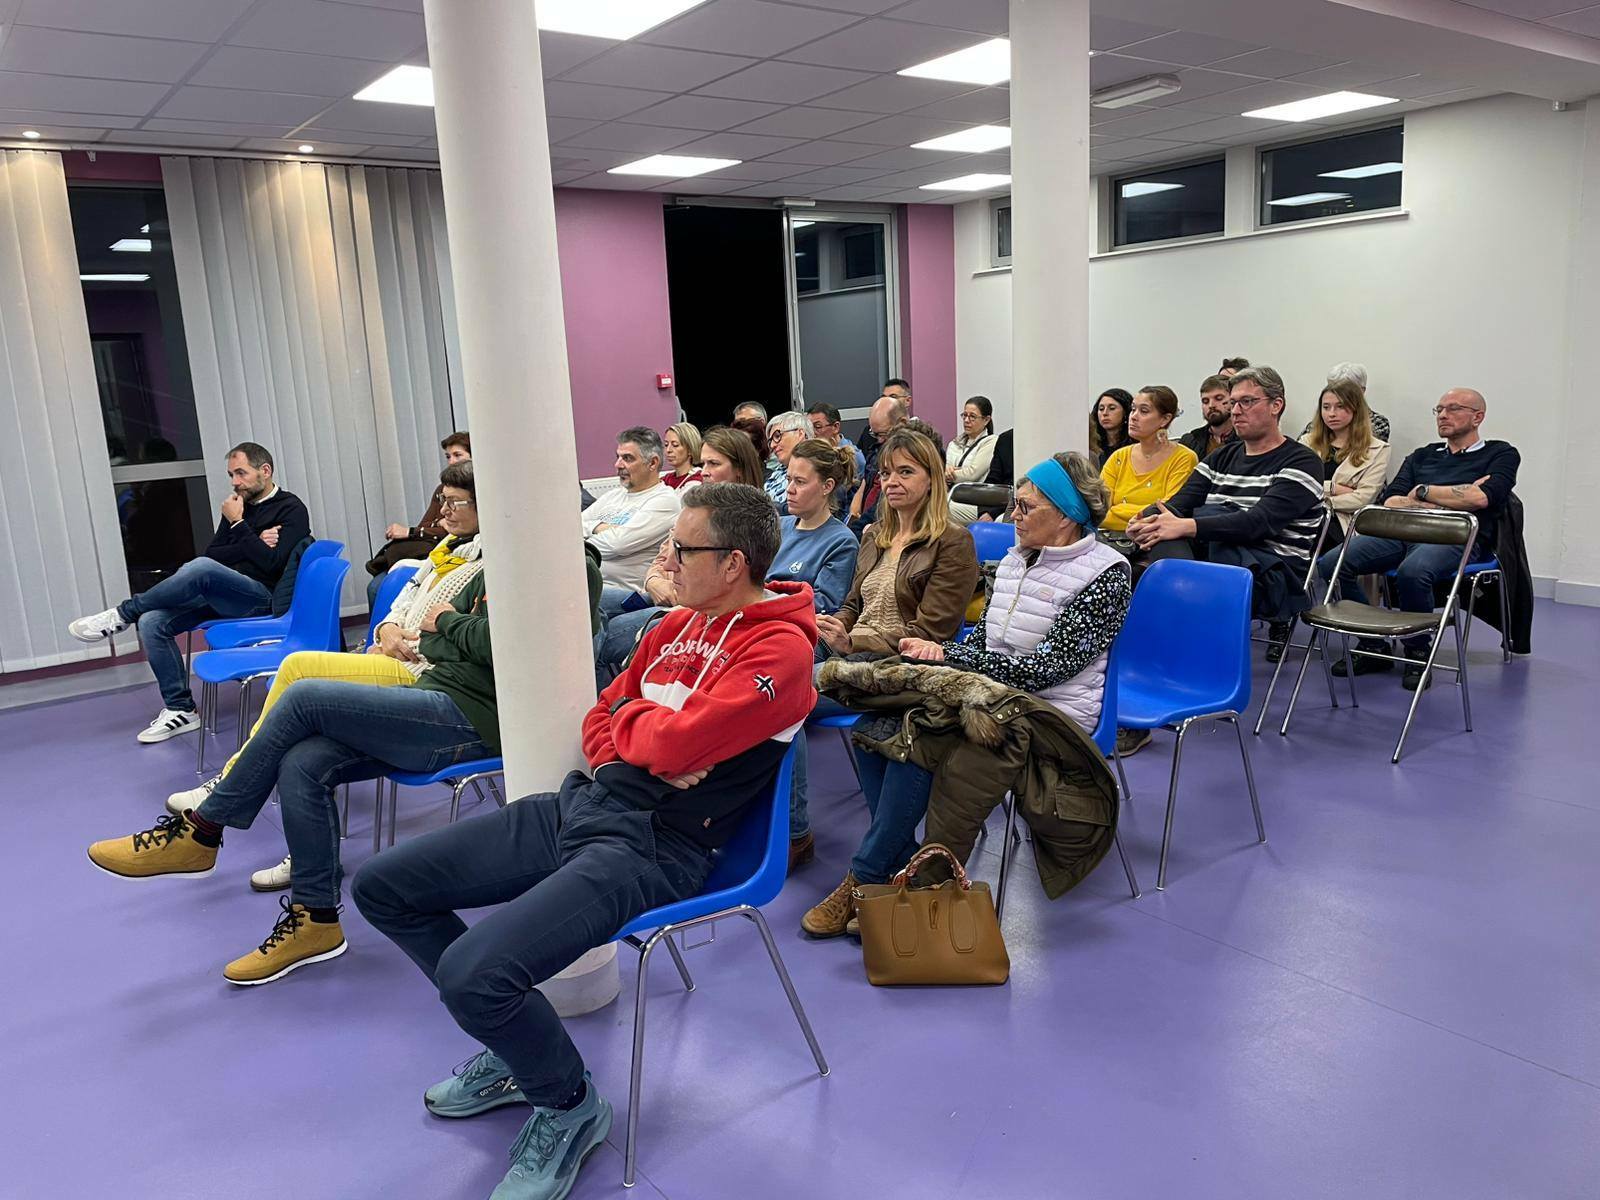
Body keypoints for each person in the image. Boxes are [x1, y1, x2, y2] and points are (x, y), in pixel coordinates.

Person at [350, 484, 816, 1200]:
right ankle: (519, 1049)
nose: (667, 560)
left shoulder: (780, 650)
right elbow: (604, 715)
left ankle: (568, 1105)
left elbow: (673, 738)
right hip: (588, 804)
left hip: (659, 845)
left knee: (474, 976)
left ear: (733, 564)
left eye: (682, 549)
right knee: (383, 887)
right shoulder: (672, 627)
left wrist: (644, 734)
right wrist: (635, 741)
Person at [85, 521, 498, 986]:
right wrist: (441, 629)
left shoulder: (542, 568)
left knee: (304, 695)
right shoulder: (485, 565)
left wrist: (446, 624)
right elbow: (432, 637)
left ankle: (202, 830)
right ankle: (316, 921)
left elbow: (485, 642)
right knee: (304, 761)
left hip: (472, 718)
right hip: (438, 693)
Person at [801, 451, 1131, 936]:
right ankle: (900, 865)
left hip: (1051, 712)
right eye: (1015, 504)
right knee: (874, 729)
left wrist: (953, 660)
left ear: (1065, 515)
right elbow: (982, 642)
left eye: (1025, 507)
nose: (1012, 516)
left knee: (921, 742)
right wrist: (946, 655)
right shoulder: (1016, 560)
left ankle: (865, 878)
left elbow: (1049, 669)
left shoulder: (1107, 573)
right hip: (988, 691)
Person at [165, 462, 486, 893]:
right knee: (302, 752)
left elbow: (444, 633)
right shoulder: (445, 548)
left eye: (454, 502)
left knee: (299, 676)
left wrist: (425, 631)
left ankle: (224, 791)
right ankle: (307, 873)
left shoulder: (487, 562)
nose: (442, 510)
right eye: (442, 500)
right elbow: (403, 608)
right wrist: (385, 630)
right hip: (400, 657)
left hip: (420, 672)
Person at [69, 442, 312, 744]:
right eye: (231, 475)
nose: (235, 482)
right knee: (152, 622)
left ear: (265, 470)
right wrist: (252, 538)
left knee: (200, 569)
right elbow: (215, 553)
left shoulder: (291, 509)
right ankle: (181, 709)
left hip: (261, 598)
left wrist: (239, 526)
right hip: (226, 593)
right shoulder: (238, 505)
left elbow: (272, 564)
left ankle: (123, 614)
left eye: (241, 473)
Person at [1321, 388, 1519, 690]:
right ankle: (1373, 643)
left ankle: (1417, 650)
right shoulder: (1422, 455)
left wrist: (1423, 491)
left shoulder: (1501, 453)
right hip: (1402, 533)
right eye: (1439, 409)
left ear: (1477, 417)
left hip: (1457, 537)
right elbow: (1390, 499)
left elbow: (1482, 498)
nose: (1443, 415)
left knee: (1413, 571)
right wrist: (1453, 498)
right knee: (1332, 564)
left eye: (1453, 408)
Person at [1125, 366, 1326, 661]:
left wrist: (1189, 524)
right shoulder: (1222, 456)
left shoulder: (1303, 462)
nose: (1236, 411)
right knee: (1149, 542)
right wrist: (1144, 520)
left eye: (1247, 402)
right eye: (1233, 403)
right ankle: (1184, 625)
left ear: (1276, 405)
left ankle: (1175, 637)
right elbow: (1177, 506)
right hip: (1212, 561)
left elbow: (1258, 523)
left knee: (1173, 550)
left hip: (1269, 573)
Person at [592, 425, 765, 689]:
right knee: (589, 596)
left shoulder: (749, 522)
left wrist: (675, 589)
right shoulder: (695, 510)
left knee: (599, 634)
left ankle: (602, 703)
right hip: (658, 592)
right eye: (703, 463)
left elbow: (618, 544)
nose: (703, 471)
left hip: (690, 605)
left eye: (713, 464)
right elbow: (663, 558)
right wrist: (654, 581)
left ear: (739, 470)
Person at [772, 439, 860, 869]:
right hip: (765, 633)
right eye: (788, 479)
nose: (789, 489)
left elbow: (819, 612)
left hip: (810, 639)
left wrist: (763, 602)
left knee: (776, 696)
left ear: (827, 487)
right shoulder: (780, 528)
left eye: (800, 482)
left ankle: (795, 833)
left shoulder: (840, 541)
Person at [819, 427, 979, 661]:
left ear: (932, 479)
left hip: (901, 658)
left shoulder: (953, 541)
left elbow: (929, 633)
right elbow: (853, 608)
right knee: (787, 652)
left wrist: (852, 643)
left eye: (905, 472)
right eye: (885, 473)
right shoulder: (875, 535)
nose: (891, 482)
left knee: (805, 676)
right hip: (855, 648)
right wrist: (830, 627)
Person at [364, 431, 471, 611]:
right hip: (435, 551)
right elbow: (427, 525)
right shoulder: (442, 488)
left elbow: (457, 528)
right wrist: (437, 525)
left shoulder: (477, 489)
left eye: (457, 455)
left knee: (379, 587)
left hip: (453, 555)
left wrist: (414, 531)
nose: (451, 461)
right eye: (448, 456)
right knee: (376, 585)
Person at [583, 426, 681, 620]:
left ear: (652, 463)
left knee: (574, 601)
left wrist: (589, 536)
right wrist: (598, 527)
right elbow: (573, 527)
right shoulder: (614, 495)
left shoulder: (665, 501)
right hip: (592, 583)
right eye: (618, 457)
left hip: (627, 594)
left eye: (627, 458)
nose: (618, 464)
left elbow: (616, 544)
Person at [1100, 385, 1198, 536]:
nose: (1133, 416)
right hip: (1111, 539)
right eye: (1133, 409)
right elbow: (1099, 511)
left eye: (1144, 411)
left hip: (1159, 539)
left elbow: (1167, 513)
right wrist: (1144, 514)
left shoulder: (1183, 458)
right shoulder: (1119, 456)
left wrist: (1118, 510)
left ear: (1165, 419)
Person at [1300, 378, 1391, 539]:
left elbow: (1363, 499)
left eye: (1340, 406)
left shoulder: (1378, 449)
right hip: (1302, 515)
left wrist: (1321, 498)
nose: (1331, 413)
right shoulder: (1307, 442)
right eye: (1326, 407)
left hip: (1342, 523)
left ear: (1356, 409)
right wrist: (1334, 488)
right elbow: (1296, 485)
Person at [846, 394, 908, 537]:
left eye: (883, 434)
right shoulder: (877, 450)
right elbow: (866, 483)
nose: (879, 440)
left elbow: (881, 509)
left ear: (903, 423)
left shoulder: (917, 456)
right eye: (875, 434)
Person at [1300, 363, 1391, 441]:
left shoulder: (1378, 423)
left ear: (1361, 391)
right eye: (1332, 388)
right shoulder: (1318, 424)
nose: (1336, 393)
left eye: (1345, 390)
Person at [1178, 375, 1238, 461]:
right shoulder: (1190, 441)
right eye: (1205, 401)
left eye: (1219, 398)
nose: (1211, 405)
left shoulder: (1247, 439)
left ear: (1233, 401)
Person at [807, 400, 866, 479]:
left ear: (835, 427)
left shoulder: (855, 458)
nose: (812, 433)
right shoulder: (810, 453)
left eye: (817, 427)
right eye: (809, 428)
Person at [763, 410, 811, 505]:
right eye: (770, 441)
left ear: (800, 434)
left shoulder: (820, 470)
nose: (772, 445)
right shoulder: (774, 476)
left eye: (777, 436)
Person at [1091, 388, 1133, 468]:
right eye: (1101, 409)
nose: (1105, 413)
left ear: (1125, 412)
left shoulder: (1134, 446)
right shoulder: (1093, 445)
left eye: (1112, 408)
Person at [661, 422, 703, 490]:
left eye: (675, 445)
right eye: (666, 445)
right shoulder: (664, 478)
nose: (668, 450)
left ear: (690, 449)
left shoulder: (697, 480)